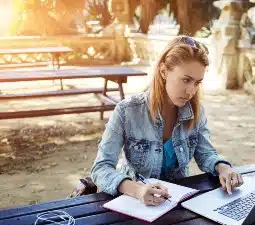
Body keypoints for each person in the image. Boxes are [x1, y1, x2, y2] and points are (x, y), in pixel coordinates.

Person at [91, 35, 243, 206]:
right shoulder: (127, 111)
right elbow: (101, 168)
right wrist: (137, 190)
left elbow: (206, 154)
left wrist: (223, 168)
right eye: (186, 80)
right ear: (163, 71)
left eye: (197, 83)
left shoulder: (197, 112)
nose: (190, 91)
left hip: (177, 203)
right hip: (134, 203)